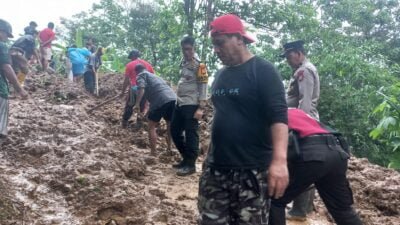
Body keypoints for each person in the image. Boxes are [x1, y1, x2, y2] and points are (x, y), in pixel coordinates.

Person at [198, 14, 289, 225]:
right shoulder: (220, 76)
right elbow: (222, 116)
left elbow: (279, 117)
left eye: (220, 43)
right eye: (214, 45)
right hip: (216, 170)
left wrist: (280, 161)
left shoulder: (263, 71)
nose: (216, 50)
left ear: (239, 38)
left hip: (251, 172)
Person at [269, 108, 363, 225]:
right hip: (337, 152)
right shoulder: (296, 111)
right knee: (342, 209)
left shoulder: (271, 113)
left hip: (312, 154)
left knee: (275, 201)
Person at [281, 40, 320, 220]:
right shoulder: (301, 70)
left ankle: (299, 210)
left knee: (299, 165)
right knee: (301, 165)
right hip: (304, 123)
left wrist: (299, 126)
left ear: (298, 53)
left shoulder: (304, 71)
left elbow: (305, 102)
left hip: (303, 124)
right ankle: (303, 206)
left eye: (289, 56)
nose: (288, 60)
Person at [170, 36, 208, 176]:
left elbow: (203, 86)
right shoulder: (183, 62)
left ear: (194, 48)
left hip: (192, 104)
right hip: (179, 102)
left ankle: (190, 164)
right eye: (184, 49)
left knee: (191, 134)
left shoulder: (200, 65)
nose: (186, 52)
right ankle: (186, 159)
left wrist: (201, 108)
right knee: (174, 130)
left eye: (189, 49)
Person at [134, 64, 177, 155]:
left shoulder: (140, 75)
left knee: (151, 126)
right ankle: (169, 148)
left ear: (137, 71)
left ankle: (153, 152)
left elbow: (141, 89)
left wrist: (137, 104)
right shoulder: (155, 77)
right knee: (170, 124)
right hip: (173, 99)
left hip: (160, 100)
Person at [0, 19, 29, 140]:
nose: (6, 38)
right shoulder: (1, 45)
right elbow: (6, 68)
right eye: (6, 35)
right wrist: (19, 89)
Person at [120, 49, 154, 128]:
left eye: (131, 57)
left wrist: (123, 92)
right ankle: (138, 125)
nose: (131, 59)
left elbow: (126, 80)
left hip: (134, 89)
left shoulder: (130, 64)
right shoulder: (148, 65)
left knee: (130, 106)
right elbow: (152, 78)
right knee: (141, 107)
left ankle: (124, 123)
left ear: (133, 56)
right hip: (145, 90)